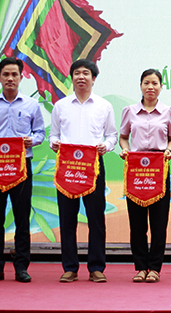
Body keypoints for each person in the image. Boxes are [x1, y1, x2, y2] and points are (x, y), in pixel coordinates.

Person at [0, 57, 45, 283]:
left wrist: (31, 141)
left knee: (22, 218)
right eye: (6, 74)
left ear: (21, 76)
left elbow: (40, 134)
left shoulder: (31, 105)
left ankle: (21, 267)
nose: (10, 78)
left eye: (14, 74)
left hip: (22, 167)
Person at [50, 59, 118, 283]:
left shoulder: (103, 106)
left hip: (94, 167)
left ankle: (96, 267)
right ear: (71, 77)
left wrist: (105, 147)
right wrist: (55, 143)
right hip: (67, 169)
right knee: (67, 218)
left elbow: (112, 136)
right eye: (77, 73)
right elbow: (54, 135)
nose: (81, 76)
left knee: (96, 219)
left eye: (86, 73)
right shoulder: (60, 106)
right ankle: (69, 267)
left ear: (94, 78)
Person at [119, 69, 171, 283]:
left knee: (159, 221)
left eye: (154, 83)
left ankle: (154, 268)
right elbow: (123, 137)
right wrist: (125, 150)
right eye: (146, 83)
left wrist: (169, 150)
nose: (150, 87)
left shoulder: (169, 111)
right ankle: (140, 267)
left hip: (159, 169)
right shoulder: (129, 111)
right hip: (136, 170)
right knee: (137, 223)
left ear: (161, 86)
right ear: (141, 86)